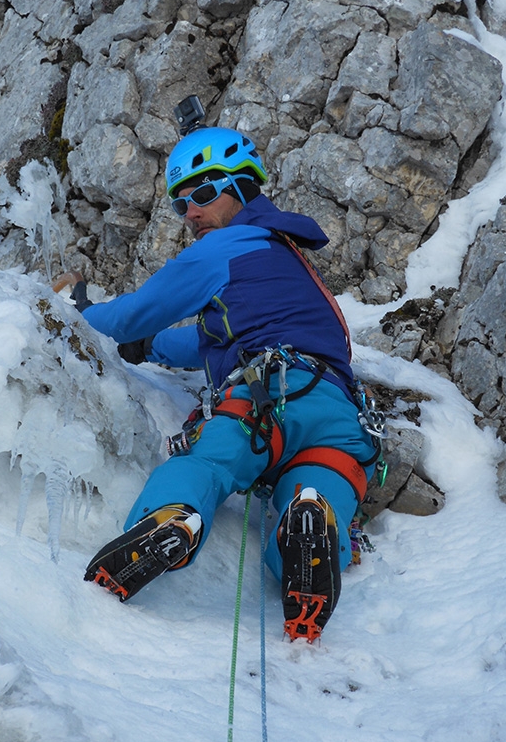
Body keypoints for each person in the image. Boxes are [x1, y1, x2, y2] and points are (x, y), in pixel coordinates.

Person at [61, 115, 382, 642]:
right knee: (320, 496)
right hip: (339, 417)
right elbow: (211, 344)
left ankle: (175, 517)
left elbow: (135, 312)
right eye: (179, 204)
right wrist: (148, 349)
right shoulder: (288, 262)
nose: (190, 213)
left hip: (265, 400)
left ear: (241, 187)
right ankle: (311, 521)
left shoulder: (224, 249)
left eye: (203, 194)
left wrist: (77, 315)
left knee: (207, 464)